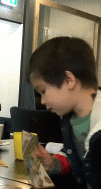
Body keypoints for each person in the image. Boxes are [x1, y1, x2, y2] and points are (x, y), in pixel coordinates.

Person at [28, 36, 101, 189]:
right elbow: (79, 161)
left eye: (43, 91)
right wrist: (53, 164)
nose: (42, 101)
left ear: (69, 80)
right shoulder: (70, 120)